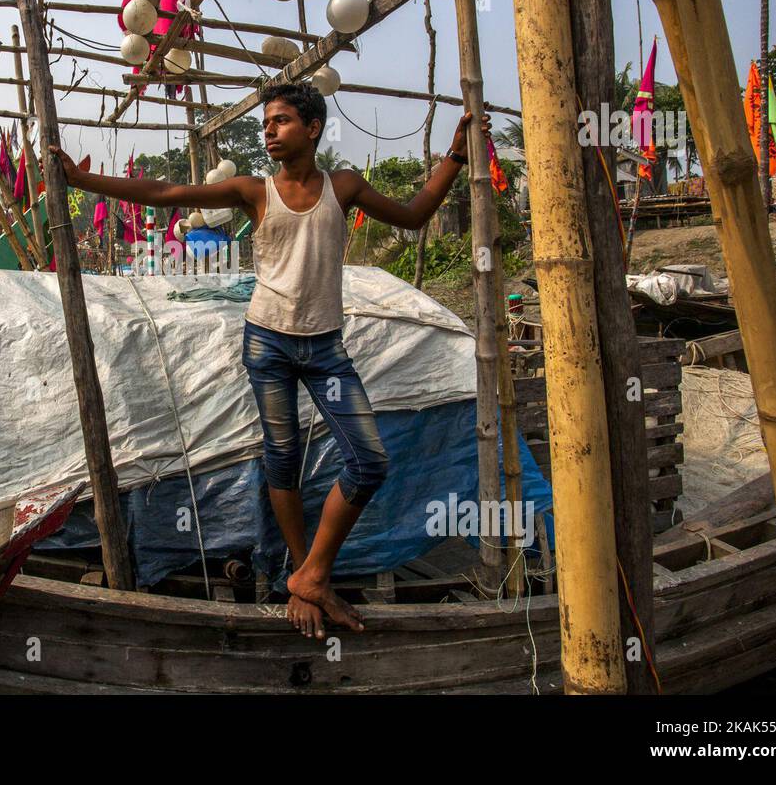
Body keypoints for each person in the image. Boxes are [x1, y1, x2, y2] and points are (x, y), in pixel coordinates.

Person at [51, 82, 489, 641]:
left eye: (280, 121)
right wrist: (84, 180)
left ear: (312, 128)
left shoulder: (344, 186)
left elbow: (413, 215)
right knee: (281, 458)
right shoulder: (254, 191)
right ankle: (302, 574)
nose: (269, 131)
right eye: (265, 124)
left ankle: (311, 575)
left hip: (325, 348)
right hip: (268, 343)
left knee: (369, 461)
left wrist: (454, 158)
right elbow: (166, 193)